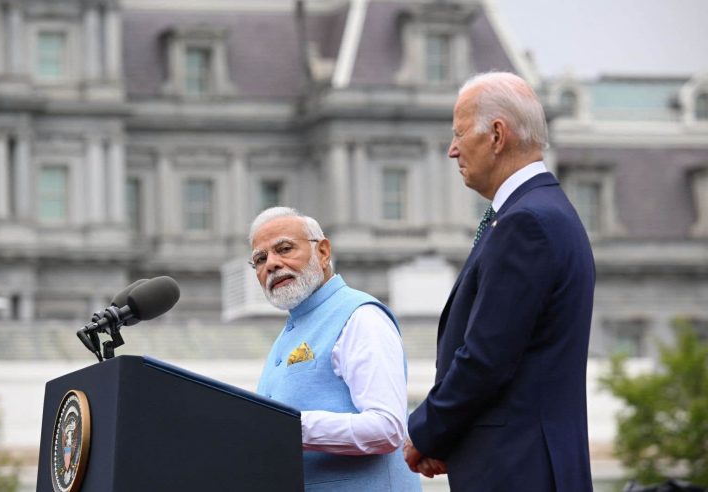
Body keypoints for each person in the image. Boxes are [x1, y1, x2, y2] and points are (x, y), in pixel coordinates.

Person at [403, 72, 596, 492]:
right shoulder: (544, 212)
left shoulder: (525, 222)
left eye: (458, 134)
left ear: (496, 135)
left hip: (517, 470)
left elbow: (486, 358)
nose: (452, 150)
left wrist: (424, 431)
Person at [251, 206, 421, 491]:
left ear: (323, 252)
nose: (272, 264)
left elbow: (386, 428)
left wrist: (288, 426)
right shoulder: (290, 331)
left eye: (284, 248)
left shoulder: (360, 316)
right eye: (260, 258)